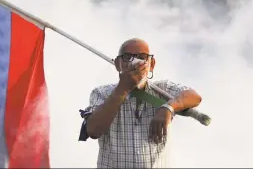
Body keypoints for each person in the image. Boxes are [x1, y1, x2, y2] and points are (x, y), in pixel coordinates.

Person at [79, 38, 202, 168]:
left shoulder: (163, 90)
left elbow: (194, 97)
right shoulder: (101, 93)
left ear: (152, 64)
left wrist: (168, 107)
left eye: (142, 57)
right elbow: (93, 131)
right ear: (117, 64)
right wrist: (123, 88)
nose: (135, 63)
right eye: (127, 57)